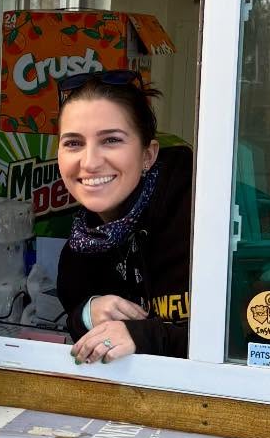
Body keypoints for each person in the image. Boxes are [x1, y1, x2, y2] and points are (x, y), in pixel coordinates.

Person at [53, 72, 192, 363]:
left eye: (111, 140)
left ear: (148, 155)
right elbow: (74, 317)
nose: (89, 162)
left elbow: (242, 338)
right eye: (73, 143)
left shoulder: (197, 219)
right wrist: (89, 313)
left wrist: (143, 335)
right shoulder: (80, 247)